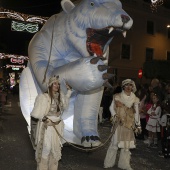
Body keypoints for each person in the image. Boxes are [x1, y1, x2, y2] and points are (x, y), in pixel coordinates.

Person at [31, 75, 72, 170]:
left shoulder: (60, 96)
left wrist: (69, 91)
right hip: (47, 127)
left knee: (55, 149)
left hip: (57, 126)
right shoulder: (43, 97)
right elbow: (36, 113)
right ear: (50, 85)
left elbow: (65, 104)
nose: (57, 85)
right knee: (46, 148)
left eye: (58, 84)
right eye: (55, 83)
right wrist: (45, 120)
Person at [104, 79, 141, 170]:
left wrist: (138, 124)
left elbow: (136, 113)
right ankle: (108, 163)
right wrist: (115, 116)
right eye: (126, 85)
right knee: (114, 144)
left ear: (133, 87)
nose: (128, 87)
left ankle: (124, 164)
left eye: (130, 85)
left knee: (126, 146)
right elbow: (111, 108)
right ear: (123, 86)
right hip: (119, 123)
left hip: (128, 125)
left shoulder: (135, 99)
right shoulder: (117, 96)